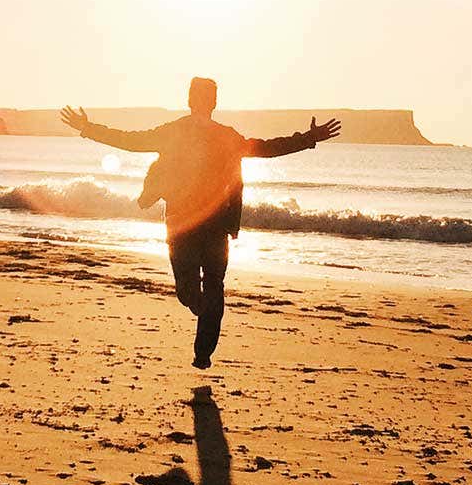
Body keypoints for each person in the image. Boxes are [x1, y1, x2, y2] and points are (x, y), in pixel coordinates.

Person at [60, 77, 341, 369]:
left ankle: (203, 353)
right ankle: (204, 317)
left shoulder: (222, 136)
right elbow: (267, 148)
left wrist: (309, 139)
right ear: (210, 102)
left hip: (210, 224)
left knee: (210, 286)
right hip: (185, 223)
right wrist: (309, 138)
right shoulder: (177, 132)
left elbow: (130, 140)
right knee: (193, 291)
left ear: (193, 100)